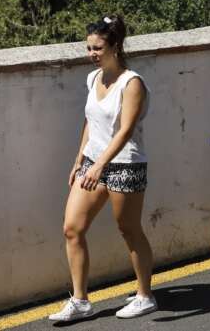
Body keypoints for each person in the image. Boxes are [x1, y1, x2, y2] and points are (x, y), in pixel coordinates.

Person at [50, 16, 157, 322]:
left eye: (98, 48)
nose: (92, 53)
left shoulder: (131, 83)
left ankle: (145, 295)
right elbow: (90, 122)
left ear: (115, 46)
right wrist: (79, 160)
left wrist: (99, 165)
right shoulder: (92, 78)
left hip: (126, 163)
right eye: (89, 48)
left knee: (129, 229)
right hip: (92, 162)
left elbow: (125, 131)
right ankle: (80, 300)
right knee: (72, 228)